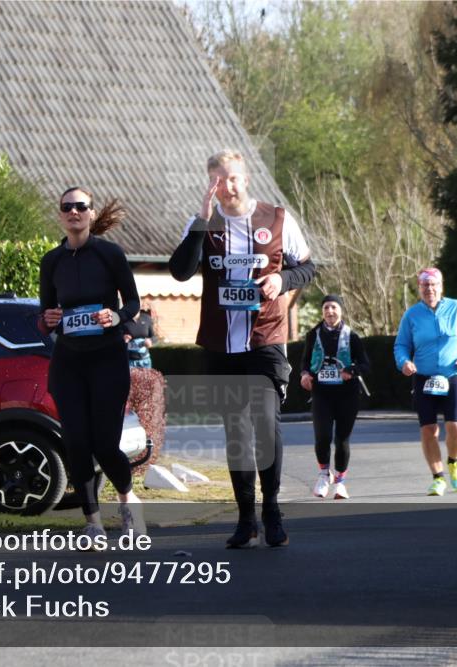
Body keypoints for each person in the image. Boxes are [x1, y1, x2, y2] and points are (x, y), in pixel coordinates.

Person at [169, 149, 315, 548]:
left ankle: (272, 511)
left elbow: (307, 266)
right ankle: (245, 517)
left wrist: (281, 281)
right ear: (210, 184)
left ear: (246, 178)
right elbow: (180, 271)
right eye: (218, 181)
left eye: (233, 178)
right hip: (221, 345)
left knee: (266, 424)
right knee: (237, 432)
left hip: (266, 339)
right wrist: (201, 217)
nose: (227, 187)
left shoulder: (277, 218)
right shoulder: (204, 224)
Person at [39, 187, 145, 544]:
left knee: (104, 443)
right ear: (60, 215)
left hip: (107, 359)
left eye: (80, 207)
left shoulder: (110, 254)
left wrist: (115, 316)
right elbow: (43, 317)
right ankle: (93, 523)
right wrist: (49, 318)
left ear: (91, 212)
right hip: (68, 361)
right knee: (76, 443)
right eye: (67, 207)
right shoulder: (51, 261)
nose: (74, 212)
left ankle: (128, 497)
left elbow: (133, 304)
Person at [393, 268, 457, 497]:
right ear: (419, 288)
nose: (429, 289)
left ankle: (454, 463)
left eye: (433, 285)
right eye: (425, 286)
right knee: (429, 430)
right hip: (424, 378)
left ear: (441, 286)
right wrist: (404, 361)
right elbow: (401, 345)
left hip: (453, 375)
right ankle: (438, 478)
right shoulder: (411, 315)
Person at [300, 294, 370, 500]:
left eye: (333, 307)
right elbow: (305, 361)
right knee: (322, 436)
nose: (330, 312)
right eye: (326, 308)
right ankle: (324, 474)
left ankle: (340, 482)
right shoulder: (313, 335)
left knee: (342, 440)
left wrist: (352, 370)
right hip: (321, 393)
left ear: (341, 310)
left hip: (347, 395)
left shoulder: (352, 336)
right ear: (322, 312)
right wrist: (304, 375)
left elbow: (366, 364)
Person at [123, 299, 158, 369]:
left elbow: (155, 337)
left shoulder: (147, 318)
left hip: (145, 361)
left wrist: (150, 341)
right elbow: (116, 339)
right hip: (130, 362)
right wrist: (123, 339)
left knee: (147, 380)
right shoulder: (124, 320)